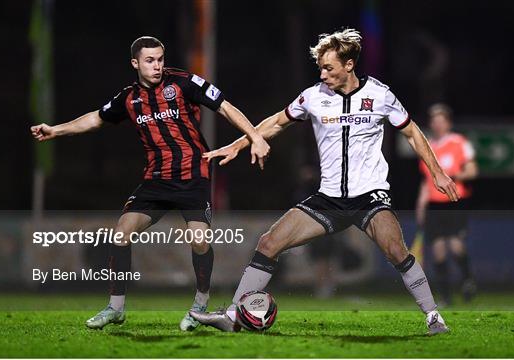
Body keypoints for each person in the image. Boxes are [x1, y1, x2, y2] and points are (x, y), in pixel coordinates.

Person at [190, 29, 458, 335]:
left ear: (349, 65)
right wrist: (240, 144)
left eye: (328, 67)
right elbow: (278, 122)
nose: (323, 73)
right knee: (268, 243)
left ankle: (434, 317)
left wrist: (436, 170)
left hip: (369, 197)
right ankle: (234, 315)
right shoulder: (313, 96)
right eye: (320, 67)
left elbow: (411, 132)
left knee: (397, 251)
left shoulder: (380, 95)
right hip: (328, 200)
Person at [30, 36, 270, 331]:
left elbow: (225, 107)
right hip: (156, 180)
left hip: (192, 176)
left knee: (199, 241)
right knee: (120, 234)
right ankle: (115, 308)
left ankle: (200, 302)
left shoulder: (184, 83)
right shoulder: (129, 99)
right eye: (149, 60)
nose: (157, 66)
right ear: (135, 63)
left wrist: (255, 137)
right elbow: (96, 118)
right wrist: (55, 130)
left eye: (160, 59)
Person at [416, 103, 478, 305]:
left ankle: (467, 280)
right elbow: (427, 181)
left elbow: (472, 171)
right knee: (438, 250)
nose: (437, 124)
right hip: (434, 205)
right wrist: (421, 204)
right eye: (434, 120)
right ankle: (445, 296)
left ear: (448, 122)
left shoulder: (459, 142)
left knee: (456, 245)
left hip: (455, 202)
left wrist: (452, 176)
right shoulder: (429, 147)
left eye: (441, 120)